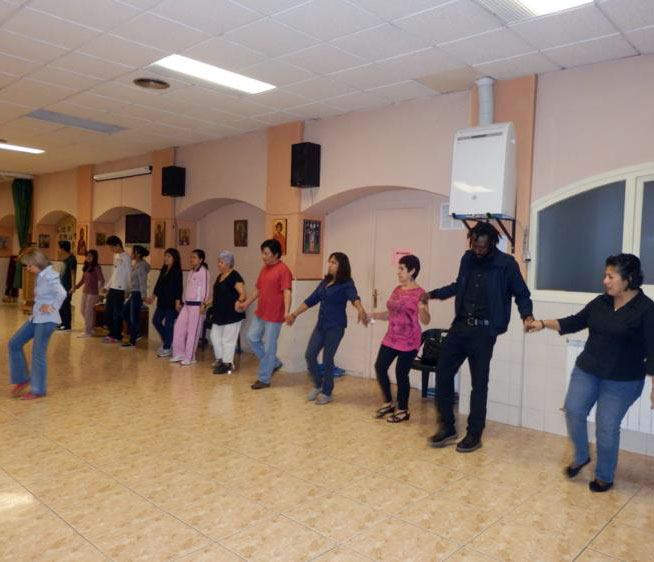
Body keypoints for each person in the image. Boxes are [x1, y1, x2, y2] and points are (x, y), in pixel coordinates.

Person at [527, 254, 654, 492]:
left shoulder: (646, 309)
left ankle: (604, 475)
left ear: (628, 279)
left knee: (606, 425)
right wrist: (542, 323)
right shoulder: (601, 302)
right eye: (605, 275)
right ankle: (581, 456)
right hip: (588, 370)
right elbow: (574, 322)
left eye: (611, 276)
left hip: (623, 380)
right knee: (573, 410)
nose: (605, 281)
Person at [425, 222, 534, 452]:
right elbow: (458, 285)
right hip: (460, 326)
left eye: (482, 246)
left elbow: (522, 293)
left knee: (479, 384)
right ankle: (447, 427)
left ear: (492, 242)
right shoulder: (467, 259)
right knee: (443, 372)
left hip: (484, 333)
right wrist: (433, 294)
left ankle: (474, 434)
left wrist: (527, 315)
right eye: (474, 245)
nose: (477, 250)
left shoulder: (506, 265)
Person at [287, 252, 368, 405]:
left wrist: (361, 309)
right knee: (310, 355)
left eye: (333, 262)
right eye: (329, 262)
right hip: (321, 325)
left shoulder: (346, 283)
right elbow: (311, 300)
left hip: (336, 326)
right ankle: (318, 384)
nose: (329, 265)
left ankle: (327, 392)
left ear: (341, 265)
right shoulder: (325, 282)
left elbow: (354, 297)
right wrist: (294, 314)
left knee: (327, 359)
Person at [368, 255, 430, 422]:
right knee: (380, 366)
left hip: (410, 340)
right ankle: (388, 403)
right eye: (399, 268)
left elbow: (426, 320)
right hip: (392, 337)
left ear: (412, 271)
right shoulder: (397, 290)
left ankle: (403, 410)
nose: (398, 272)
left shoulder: (421, 293)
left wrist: (422, 309)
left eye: (402, 269)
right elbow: (391, 314)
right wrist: (373, 315)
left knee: (401, 373)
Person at [9, 250, 67, 400]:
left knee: (38, 353)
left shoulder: (50, 275)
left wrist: (52, 307)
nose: (28, 269)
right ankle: (22, 379)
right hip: (36, 318)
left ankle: (38, 390)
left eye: (29, 266)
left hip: (47, 320)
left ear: (37, 263)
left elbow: (62, 293)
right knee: (14, 344)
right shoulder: (41, 276)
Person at [237, 239, 292, 389]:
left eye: (266, 253)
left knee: (269, 347)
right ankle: (274, 363)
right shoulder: (264, 268)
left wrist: (287, 312)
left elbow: (287, 292)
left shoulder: (283, 270)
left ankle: (264, 379)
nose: (263, 256)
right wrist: (246, 304)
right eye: (262, 253)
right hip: (261, 312)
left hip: (274, 315)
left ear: (276, 254)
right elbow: (258, 289)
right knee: (251, 338)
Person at [207, 251, 246, 375]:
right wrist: (206, 304)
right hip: (219, 314)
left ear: (229, 263)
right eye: (218, 262)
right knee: (214, 336)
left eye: (221, 262)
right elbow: (216, 295)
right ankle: (220, 359)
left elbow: (243, 294)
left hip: (232, 314)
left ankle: (227, 364)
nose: (219, 264)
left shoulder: (235, 276)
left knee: (227, 339)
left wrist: (239, 302)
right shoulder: (220, 276)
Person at [171, 249, 211, 366]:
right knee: (178, 328)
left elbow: (206, 290)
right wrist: (183, 302)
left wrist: (204, 304)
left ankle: (190, 358)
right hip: (187, 305)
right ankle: (179, 354)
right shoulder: (191, 272)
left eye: (194, 257)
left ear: (201, 260)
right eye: (191, 257)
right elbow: (187, 288)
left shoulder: (204, 272)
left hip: (197, 306)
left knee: (192, 332)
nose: (191, 259)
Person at [151, 248, 183, 358]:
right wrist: (153, 297)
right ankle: (169, 342)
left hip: (172, 302)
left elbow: (179, 288)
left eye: (169, 256)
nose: (166, 258)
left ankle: (167, 347)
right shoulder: (164, 268)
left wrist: (178, 302)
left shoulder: (177, 271)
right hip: (162, 301)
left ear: (174, 258)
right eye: (165, 256)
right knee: (156, 320)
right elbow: (158, 284)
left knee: (169, 325)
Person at [100, 236, 131, 344]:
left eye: (112, 247)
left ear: (118, 245)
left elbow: (129, 274)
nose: (111, 250)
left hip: (121, 290)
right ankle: (111, 334)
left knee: (116, 314)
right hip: (112, 289)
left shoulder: (126, 257)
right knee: (108, 312)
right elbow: (114, 274)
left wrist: (127, 289)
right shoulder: (116, 256)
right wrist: (106, 287)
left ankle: (117, 336)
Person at [121, 245, 150, 349]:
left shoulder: (141, 266)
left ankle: (132, 342)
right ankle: (136, 333)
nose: (131, 254)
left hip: (137, 294)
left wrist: (144, 296)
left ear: (137, 253)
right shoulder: (136, 264)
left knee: (134, 318)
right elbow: (132, 281)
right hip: (133, 293)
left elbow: (142, 282)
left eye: (132, 252)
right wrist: (128, 291)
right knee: (124, 312)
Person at [70, 249, 104, 338]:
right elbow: (82, 280)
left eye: (90, 256)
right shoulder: (87, 267)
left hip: (93, 293)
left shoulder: (96, 267)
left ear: (94, 257)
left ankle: (88, 332)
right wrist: (75, 287)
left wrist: (100, 289)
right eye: (87, 256)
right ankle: (91, 328)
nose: (88, 257)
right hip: (85, 291)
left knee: (88, 311)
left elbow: (101, 279)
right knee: (82, 310)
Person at [57, 240, 77, 332]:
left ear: (63, 249)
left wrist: (73, 286)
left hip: (67, 287)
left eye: (59, 248)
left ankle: (67, 325)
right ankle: (63, 323)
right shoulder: (65, 259)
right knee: (60, 305)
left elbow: (73, 273)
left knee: (66, 306)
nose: (58, 250)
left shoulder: (72, 259)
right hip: (61, 286)